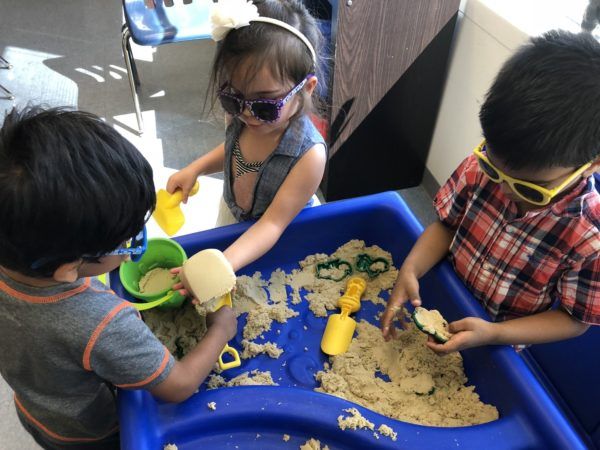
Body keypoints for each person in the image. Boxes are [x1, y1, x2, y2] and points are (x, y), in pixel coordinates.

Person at [0, 107, 237, 450]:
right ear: (68, 268)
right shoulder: (105, 322)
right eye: (126, 241)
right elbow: (179, 385)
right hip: (94, 433)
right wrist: (220, 329)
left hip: (36, 411)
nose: (132, 244)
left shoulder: (15, 246)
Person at [381, 30, 600, 354]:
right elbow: (446, 226)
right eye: (494, 170)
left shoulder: (589, 238)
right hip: (446, 290)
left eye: (531, 189)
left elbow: (573, 319)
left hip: (499, 336)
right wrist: (411, 269)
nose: (504, 189)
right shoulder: (477, 168)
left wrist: (494, 333)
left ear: (592, 164)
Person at [166, 0, 328, 272]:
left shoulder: (309, 156)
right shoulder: (243, 113)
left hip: (280, 232)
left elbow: (272, 224)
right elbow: (233, 149)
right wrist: (197, 168)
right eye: (232, 99)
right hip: (232, 213)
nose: (247, 114)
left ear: (306, 88)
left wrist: (217, 267)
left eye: (265, 105)